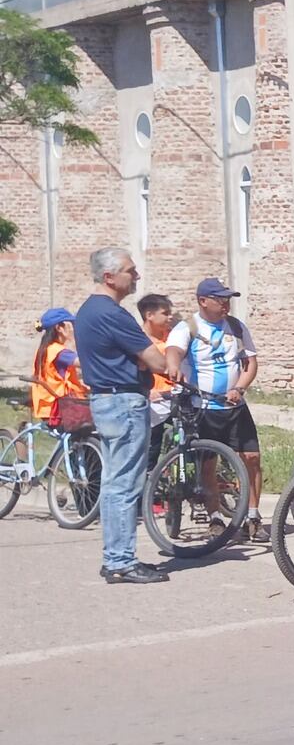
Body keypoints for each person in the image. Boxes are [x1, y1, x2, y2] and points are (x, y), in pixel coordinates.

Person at [73, 248, 172, 583]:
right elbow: (156, 362)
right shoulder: (113, 314)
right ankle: (121, 561)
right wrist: (151, 361)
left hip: (105, 399)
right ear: (109, 277)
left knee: (116, 481)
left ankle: (114, 557)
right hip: (125, 402)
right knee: (125, 484)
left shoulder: (87, 311)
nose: (137, 277)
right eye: (131, 271)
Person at [163, 278, 269, 542]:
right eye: (221, 300)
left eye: (228, 300)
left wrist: (240, 388)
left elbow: (250, 363)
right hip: (204, 408)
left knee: (252, 458)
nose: (226, 305)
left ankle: (253, 517)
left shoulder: (235, 327)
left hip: (234, 406)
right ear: (203, 301)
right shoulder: (186, 327)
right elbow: (174, 351)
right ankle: (215, 518)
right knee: (208, 464)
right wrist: (174, 366)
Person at [137, 294, 178, 466]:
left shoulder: (174, 337)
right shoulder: (139, 341)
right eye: (165, 313)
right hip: (152, 399)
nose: (170, 317)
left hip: (173, 395)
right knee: (152, 446)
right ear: (149, 315)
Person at [29, 307, 85, 425]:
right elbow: (86, 363)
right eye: (70, 324)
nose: (73, 328)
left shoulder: (45, 349)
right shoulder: (59, 352)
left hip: (47, 407)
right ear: (59, 328)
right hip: (59, 409)